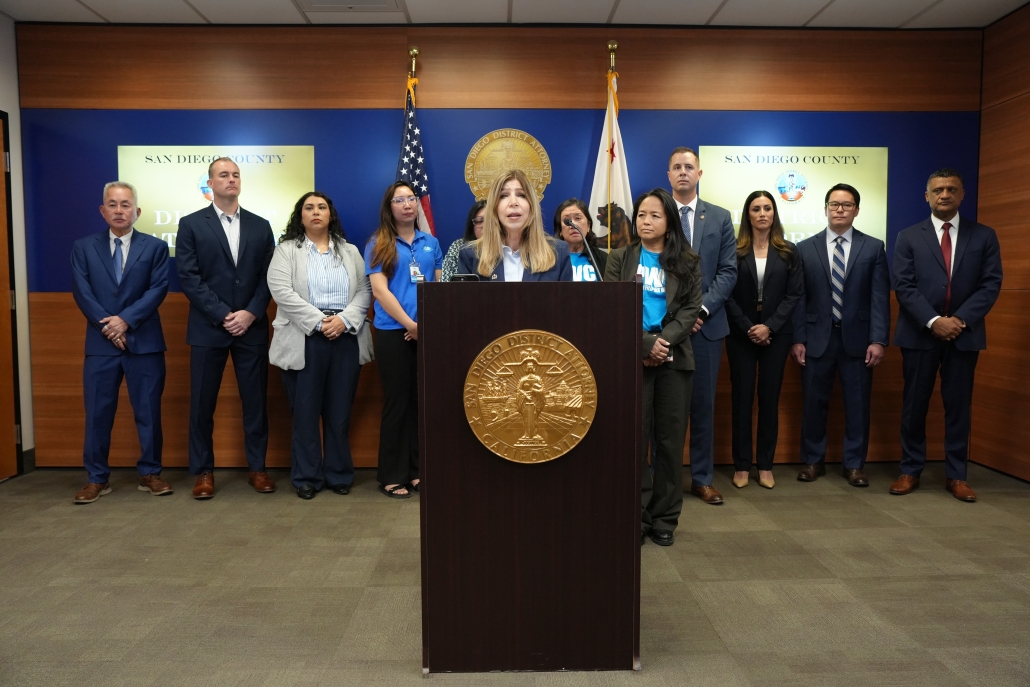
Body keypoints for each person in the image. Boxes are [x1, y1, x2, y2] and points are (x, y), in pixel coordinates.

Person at [890, 169, 1002, 502]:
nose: (944, 195)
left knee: (958, 407)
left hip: (963, 336)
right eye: (938, 190)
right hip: (919, 334)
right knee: (914, 405)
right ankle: (910, 470)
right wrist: (934, 320)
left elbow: (990, 284)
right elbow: (904, 286)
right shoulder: (908, 236)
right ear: (927, 196)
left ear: (962, 194)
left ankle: (957, 475)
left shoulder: (984, 236)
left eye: (951, 189)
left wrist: (959, 320)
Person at [605, 188, 702, 547]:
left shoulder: (688, 261)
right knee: (635, 441)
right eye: (641, 215)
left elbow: (691, 308)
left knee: (670, 442)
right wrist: (645, 343)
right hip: (633, 358)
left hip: (675, 361)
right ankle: (638, 516)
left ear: (669, 222)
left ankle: (665, 518)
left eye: (654, 215)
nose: (645, 221)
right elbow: (612, 305)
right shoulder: (620, 258)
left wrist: (664, 343)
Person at [176, 157, 276, 499]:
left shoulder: (261, 226)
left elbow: (269, 277)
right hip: (208, 328)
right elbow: (189, 277)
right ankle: (204, 472)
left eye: (235, 174)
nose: (231, 179)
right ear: (210, 183)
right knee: (202, 406)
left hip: (252, 327)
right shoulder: (191, 224)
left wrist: (250, 313)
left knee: (256, 403)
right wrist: (223, 314)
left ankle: (257, 468)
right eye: (223, 175)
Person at [70, 181, 171, 503]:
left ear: (136, 211)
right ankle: (97, 478)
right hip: (101, 344)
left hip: (145, 343)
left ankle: (151, 473)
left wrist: (125, 320)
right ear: (102, 211)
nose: (119, 210)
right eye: (112, 204)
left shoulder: (155, 247)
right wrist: (110, 326)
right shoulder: (83, 248)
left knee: (148, 412)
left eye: (125, 204)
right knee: (97, 414)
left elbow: (158, 289)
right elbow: (82, 292)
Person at [267, 192, 372, 500]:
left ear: (330, 215)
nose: (316, 212)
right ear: (300, 216)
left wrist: (343, 320)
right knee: (305, 413)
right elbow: (281, 291)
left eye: (322, 207)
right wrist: (318, 321)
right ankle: (307, 477)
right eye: (309, 208)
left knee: (339, 413)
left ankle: (339, 473)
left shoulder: (350, 251)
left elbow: (365, 290)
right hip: (303, 338)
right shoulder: (286, 250)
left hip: (345, 336)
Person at [791, 183, 890, 487]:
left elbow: (879, 297)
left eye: (847, 205)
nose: (840, 210)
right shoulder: (804, 248)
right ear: (825, 209)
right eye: (834, 204)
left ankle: (855, 465)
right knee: (813, 404)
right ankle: (812, 461)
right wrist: (798, 338)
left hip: (858, 341)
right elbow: (798, 298)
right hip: (816, 339)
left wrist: (878, 339)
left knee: (858, 406)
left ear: (856, 210)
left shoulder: (873, 247)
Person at [666, 147, 736, 504]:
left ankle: (702, 478)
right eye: (676, 167)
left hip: (706, 329)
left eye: (688, 167)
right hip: (665, 329)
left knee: (703, 406)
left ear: (699, 173)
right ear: (668, 175)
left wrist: (700, 312)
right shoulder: (656, 214)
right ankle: (665, 480)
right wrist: (677, 319)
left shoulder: (720, 217)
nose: (683, 172)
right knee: (666, 409)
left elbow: (728, 271)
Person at [365, 181, 443, 499]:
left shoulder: (431, 242)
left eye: (411, 199)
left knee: (419, 403)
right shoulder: (378, 243)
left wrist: (424, 325)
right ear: (390, 207)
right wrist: (410, 324)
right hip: (393, 333)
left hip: (426, 332)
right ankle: (391, 475)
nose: (407, 204)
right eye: (399, 200)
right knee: (397, 402)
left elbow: (438, 287)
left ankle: (415, 471)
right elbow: (380, 291)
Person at [725, 191, 804, 490]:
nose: (762, 213)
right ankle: (742, 465)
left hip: (777, 336)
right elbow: (727, 295)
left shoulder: (789, 251)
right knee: (742, 399)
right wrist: (749, 327)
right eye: (756, 208)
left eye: (767, 208)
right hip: (740, 334)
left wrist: (768, 327)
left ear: (774, 214)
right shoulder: (734, 250)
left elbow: (794, 295)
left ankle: (766, 465)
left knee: (769, 400)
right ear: (747, 214)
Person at [458, 169, 573, 281]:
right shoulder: (470, 254)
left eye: (521, 195)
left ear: (531, 205)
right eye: (504, 195)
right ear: (494, 207)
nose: (513, 202)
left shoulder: (559, 252)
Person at [554, 198, 607, 281]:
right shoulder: (550, 259)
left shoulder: (603, 258)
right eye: (567, 220)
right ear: (560, 230)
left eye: (578, 218)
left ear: (588, 226)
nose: (573, 225)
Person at [440, 200, 486, 282]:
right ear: (472, 225)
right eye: (479, 221)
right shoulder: (458, 246)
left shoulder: (504, 246)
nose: (485, 225)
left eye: (490, 220)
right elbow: (444, 282)